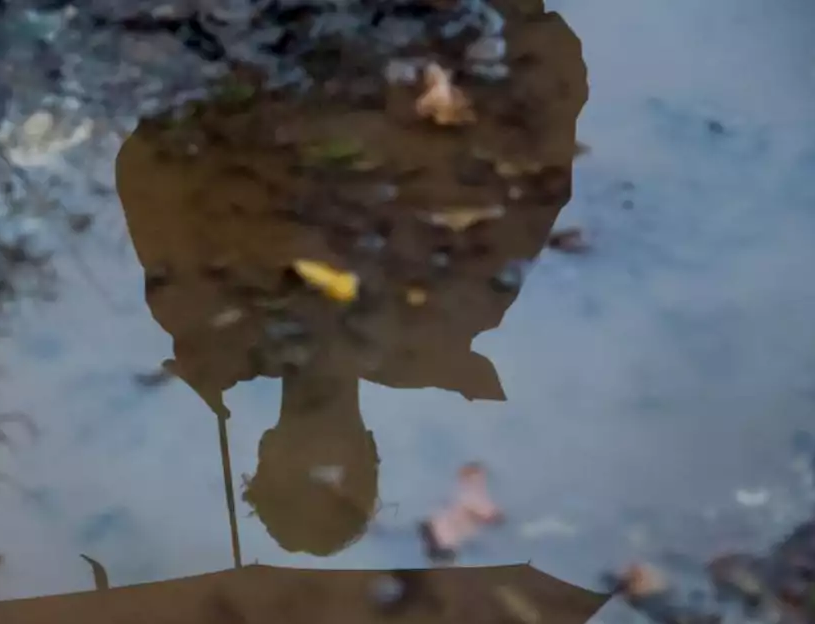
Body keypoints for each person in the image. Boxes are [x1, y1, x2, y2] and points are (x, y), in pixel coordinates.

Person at [116, 0, 586, 556]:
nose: (319, 453)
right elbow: (540, 150)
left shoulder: (203, 325)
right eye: (336, 473)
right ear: (367, 452)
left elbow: (145, 165)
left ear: (268, 452)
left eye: (300, 472)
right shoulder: (444, 327)